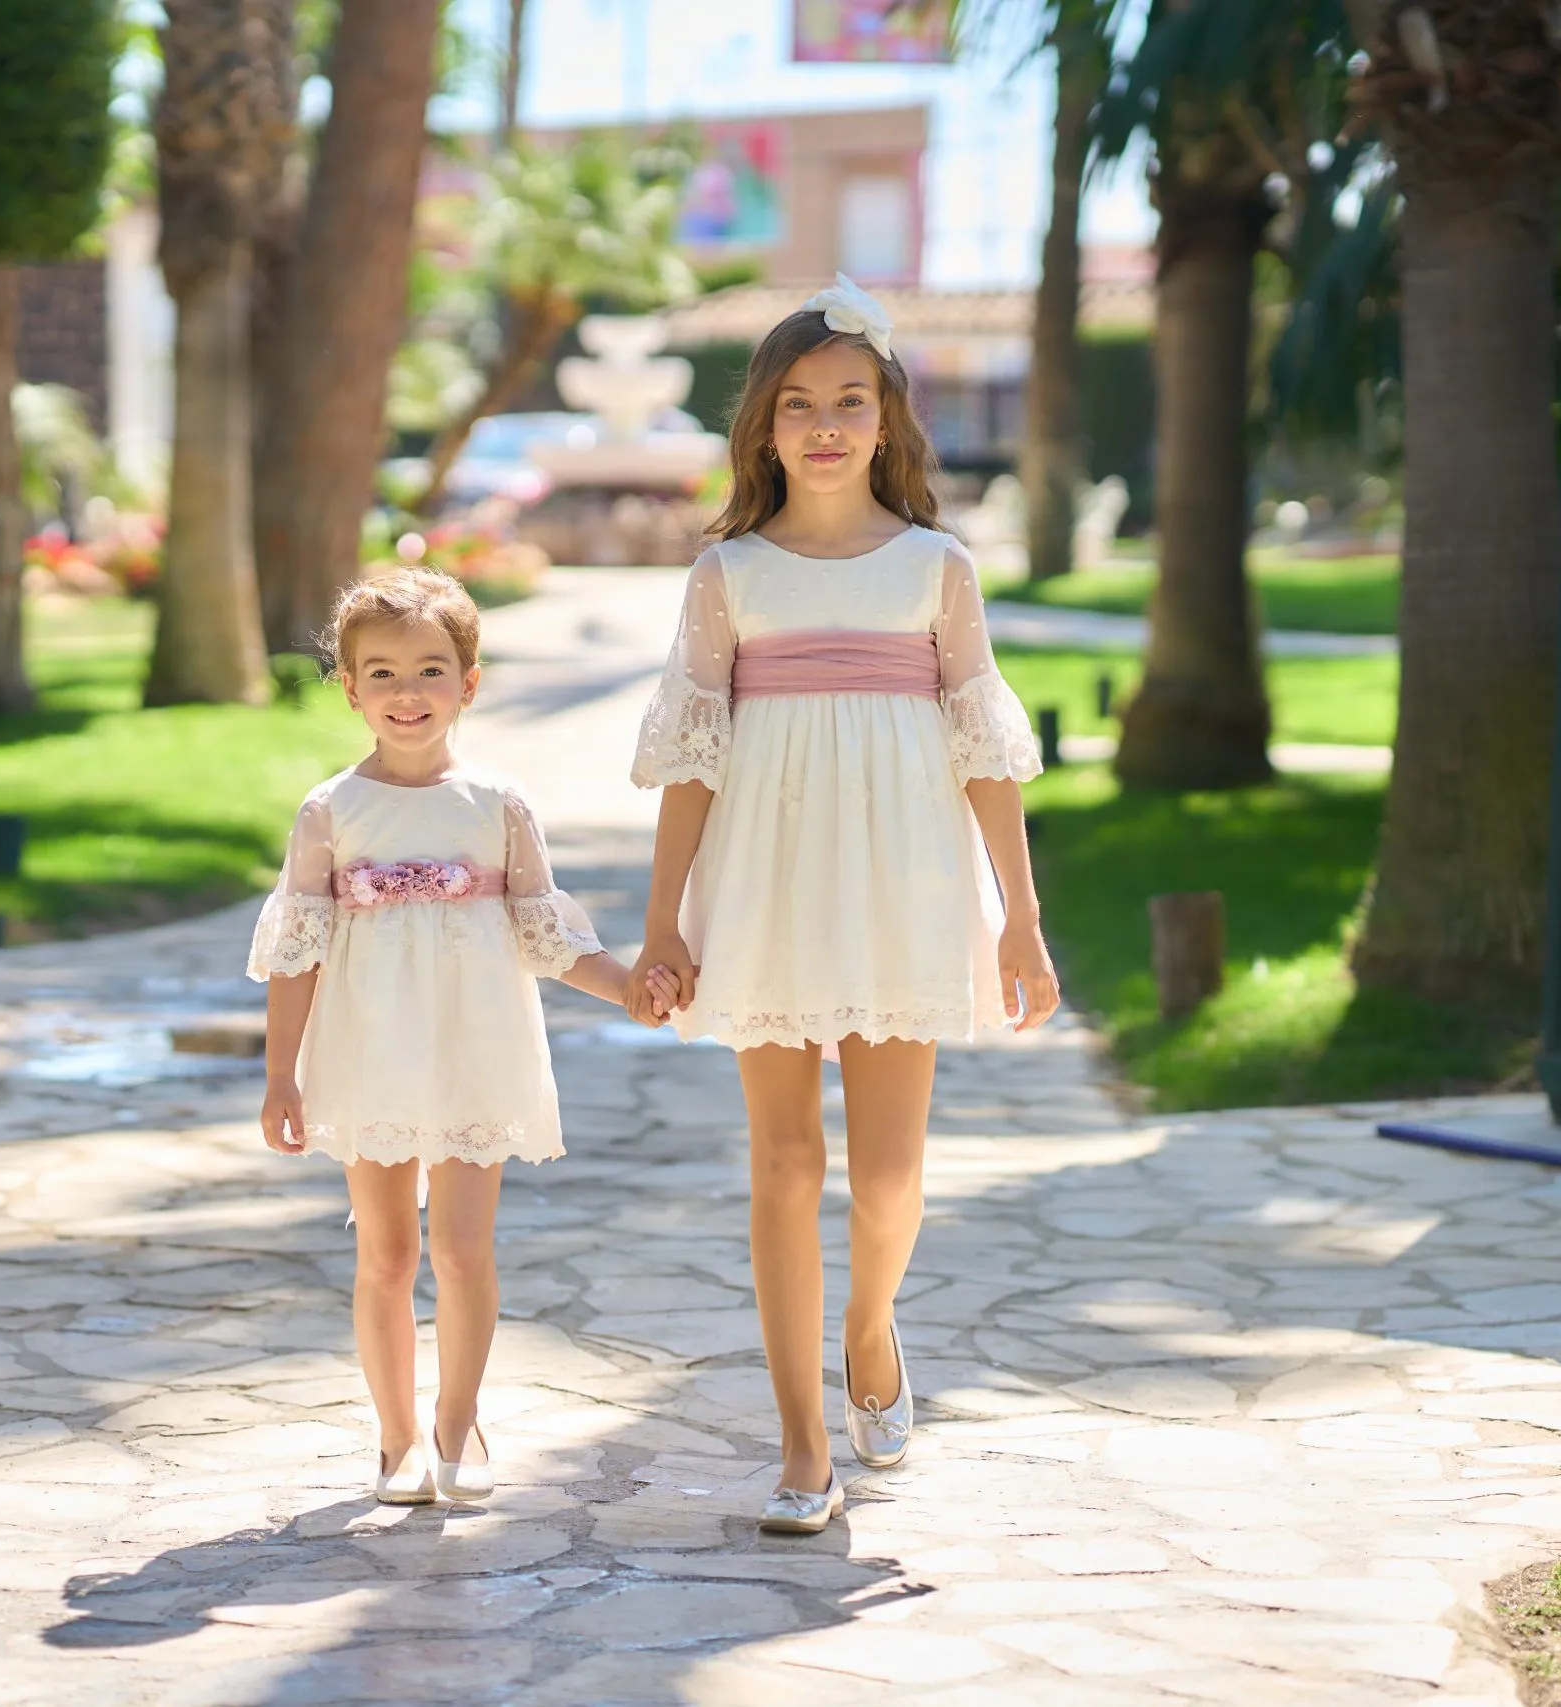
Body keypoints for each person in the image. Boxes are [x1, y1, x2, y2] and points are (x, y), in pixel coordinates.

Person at [629, 276, 1063, 1535]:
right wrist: (664, 923)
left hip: (906, 879)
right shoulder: (728, 576)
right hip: (765, 881)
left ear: (887, 420)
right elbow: (690, 759)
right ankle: (802, 1445)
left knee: (884, 1178)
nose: (824, 425)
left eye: (849, 402)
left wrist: (1019, 917)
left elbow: (984, 748)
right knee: (783, 1163)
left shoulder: (937, 569)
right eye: (798, 404)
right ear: (763, 427)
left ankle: (871, 1329)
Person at [249, 568, 652, 1507]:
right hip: (368, 1052)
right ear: (349, 688)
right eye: (381, 674)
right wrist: (281, 1075)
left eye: (430, 670)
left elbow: (548, 936)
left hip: (475, 1048)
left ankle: (456, 1416)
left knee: (464, 1249)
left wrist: (632, 987)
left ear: (469, 682)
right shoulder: (330, 812)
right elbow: (298, 953)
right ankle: (394, 1437)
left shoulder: (497, 806)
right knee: (385, 1253)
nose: (406, 693)